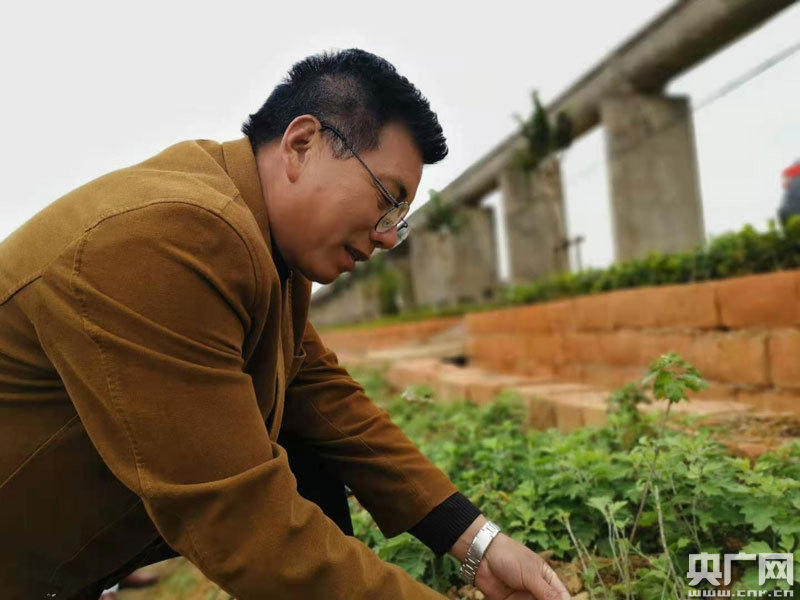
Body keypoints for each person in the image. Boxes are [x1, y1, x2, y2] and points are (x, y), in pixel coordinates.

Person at [0, 48, 570, 600]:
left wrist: (480, 545)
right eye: (387, 199)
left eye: (400, 217)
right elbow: (244, 523)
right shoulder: (174, 236)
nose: (389, 235)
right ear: (302, 144)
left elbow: (323, 400)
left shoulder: (265, 247)